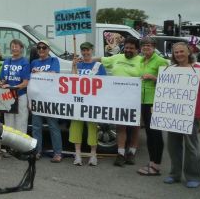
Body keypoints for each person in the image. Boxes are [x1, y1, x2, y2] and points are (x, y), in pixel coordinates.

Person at [163, 42, 200, 188]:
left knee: (191, 146)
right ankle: (174, 174)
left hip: (192, 114)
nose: (179, 54)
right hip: (173, 114)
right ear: (173, 55)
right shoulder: (170, 69)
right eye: (176, 52)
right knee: (173, 145)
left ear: (189, 52)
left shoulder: (199, 69)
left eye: (182, 51)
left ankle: (193, 176)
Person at [98, 37, 143, 167]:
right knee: (120, 127)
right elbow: (99, 59)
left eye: (131, 48)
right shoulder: (117, 58)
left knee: (135, 127)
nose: (128, 50)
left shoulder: (142, 61)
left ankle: (131, 153)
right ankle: (121, 153)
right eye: (126, 47)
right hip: (119, 99)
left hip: (136, 99)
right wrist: (82, 58)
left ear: (137, 50)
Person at [69, 42, 106, 166]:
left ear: (92, 50)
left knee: (92, 128)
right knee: (76, 127)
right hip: (78, 101)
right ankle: (78, 154)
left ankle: (93, 155)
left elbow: (103, 83)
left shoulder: (99, 66)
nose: (85, 53)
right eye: (83, 50)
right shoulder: (78, 64)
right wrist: (73, 66)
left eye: (87, 50)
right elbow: (72, 81)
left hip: (92, 102)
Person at [137, 37, 169, 175]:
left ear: (154, 47)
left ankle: (156, 165)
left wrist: (154, 78)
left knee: (155, 133)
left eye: (149, 45)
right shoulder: (141, 60)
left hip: (154, 101)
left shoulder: (161, 61)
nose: (146, 47)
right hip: (142, 101)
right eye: (143, 45)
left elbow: (169, 82)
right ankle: (152, 162)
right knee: (149, 133)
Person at [30, 40, 62, 162]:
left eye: (44, 48)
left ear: (48, 49)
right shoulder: (33, 62)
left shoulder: (54, 60)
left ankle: (58, 153)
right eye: (39, 48)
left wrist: (39, 72)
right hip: (37, 99)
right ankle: (37, 151)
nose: (41, 50)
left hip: (50, 99)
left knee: (53, 126)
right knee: (36, 127)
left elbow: (54, 74)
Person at [0, 39, 30, 137]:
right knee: (8, 121)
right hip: (8, 95)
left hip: (20, 94)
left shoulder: (25, 62)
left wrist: (12, 87)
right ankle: (10, 146)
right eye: (12, 46)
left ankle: (20, 146)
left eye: (16, 46)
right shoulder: (6, 61)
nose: (14, 48)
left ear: (21, 48)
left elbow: (25, 83)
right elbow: (3, 79)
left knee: (21, 121)